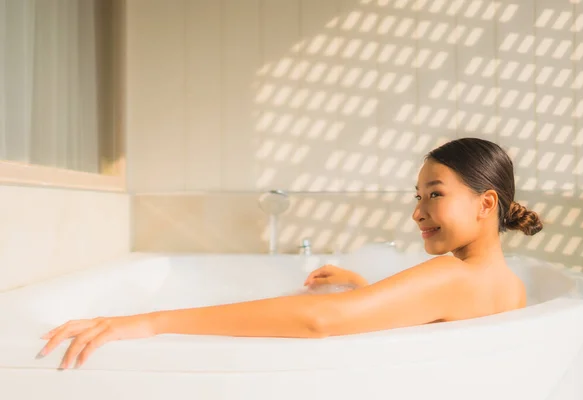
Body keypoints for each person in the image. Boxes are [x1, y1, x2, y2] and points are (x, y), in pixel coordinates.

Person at [38, 137, 543, 369]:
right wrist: (370, 292)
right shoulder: (509, 284)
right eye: (417, 196)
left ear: (486, 203)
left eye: (434, 193)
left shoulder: (448, 275)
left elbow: (318, 322)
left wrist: (150, 322)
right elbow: (445, 337)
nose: (418, 211)